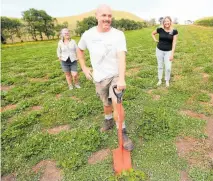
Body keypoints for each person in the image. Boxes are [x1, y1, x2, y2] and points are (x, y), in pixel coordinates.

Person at [77, 4, 134, 151]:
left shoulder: (118, 34)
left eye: (109, 16)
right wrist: (83, 67)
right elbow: (79, 49)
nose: (107, 19)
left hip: (115, 75)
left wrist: (121, 78)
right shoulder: (88, 35)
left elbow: (122, 57)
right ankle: (108, 121)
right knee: (106, 104)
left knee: (117, 103)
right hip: (99, 77)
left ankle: (123, 132)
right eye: (104, 16)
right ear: (96, 16)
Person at [152, 16, 178, 87]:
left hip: (168, 51)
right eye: (165, 21)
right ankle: (160, 79)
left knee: (168, 67)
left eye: (168, 21)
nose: (166, 22)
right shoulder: (160, 29)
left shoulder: (174, 31)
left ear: (170, 22)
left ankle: (167, 80)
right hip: (159, 50)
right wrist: (155, 39)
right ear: (163, 22)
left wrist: (172, 54)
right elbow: (152, 33)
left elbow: (174, 43)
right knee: (160, 66)